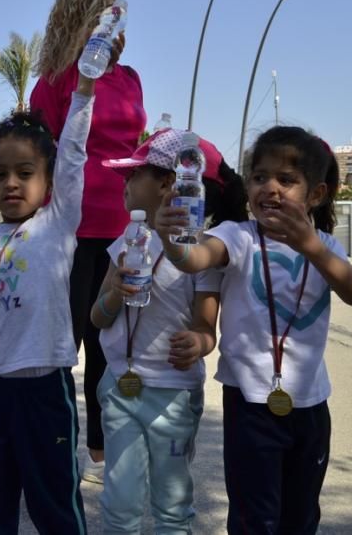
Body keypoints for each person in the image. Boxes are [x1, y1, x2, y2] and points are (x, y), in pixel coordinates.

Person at [154, 125, 352, 533]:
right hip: (250, 405)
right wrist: (171, 241)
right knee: (255, 516)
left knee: (301, 515)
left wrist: (312, 247)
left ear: (316, 194)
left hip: (309, 404)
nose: (269, 188)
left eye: (286, 180)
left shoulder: (325, 246)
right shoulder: (237, 237)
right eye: (259, 177)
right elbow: (195, 258)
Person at [0, 56, 112, 534]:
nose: (11, 183)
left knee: (54, 501)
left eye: (25, 173)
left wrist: (85, 87)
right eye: (0, 173)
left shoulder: (57, 222)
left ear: (49, 182)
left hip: (44, 389)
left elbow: (74, 151)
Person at [90, 128, 247, 533]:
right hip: (121, 389)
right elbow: (97, 318)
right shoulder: (125, 242)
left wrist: (198, 342)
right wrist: (114, 295)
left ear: (167, 183)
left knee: (172, 506)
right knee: (119, 502)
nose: (124, 182)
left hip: (173, 397)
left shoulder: (201, 253)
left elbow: (205, 329)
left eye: (134, 174)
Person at [30, 0, 146, 481]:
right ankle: (59, 441)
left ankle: (102, 445)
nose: (118, 29)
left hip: (125, 228)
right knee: (66, 342)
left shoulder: (131, 78)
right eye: (108, 16)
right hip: (72, 229)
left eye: (120, 17)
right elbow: (38, 155)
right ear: (85, 20)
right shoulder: (55, 82)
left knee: (114, 341)